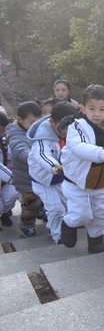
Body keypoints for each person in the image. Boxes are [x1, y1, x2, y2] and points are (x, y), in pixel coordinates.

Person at [60, 85, 104, 254]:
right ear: (83, 108)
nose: (97, 114)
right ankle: (68, 222)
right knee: (82, 214)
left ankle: (95, 242)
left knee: (101, 213)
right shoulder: (77, 126)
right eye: (92, 109)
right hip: (77, 181)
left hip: (101, 181)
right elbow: (78, 148)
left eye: (102, 109)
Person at [27, 102, 77, 244]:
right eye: (62, 126)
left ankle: (55, 227)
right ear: (52, 122)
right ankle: (58, 236)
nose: (66, 130)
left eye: (69, 126)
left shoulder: (71, 134)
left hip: (60, 180)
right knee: (56, 208)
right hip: (44, 181)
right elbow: (42, 156)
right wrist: (56, 167)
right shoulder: (42, 139)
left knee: (69, 205)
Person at [6, 101, 43, 237]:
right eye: (32, 123)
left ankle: (41, 210)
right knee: (30, 204)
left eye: (38, 122)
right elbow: (20, 150)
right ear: (20, 120)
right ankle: (26, 224)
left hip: (40, 176)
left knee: (44, 198)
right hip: (25, 179)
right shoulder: (15, 134)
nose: (35, 126)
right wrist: (37, 157)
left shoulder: (38, 130)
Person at [0, 110, 20, 230]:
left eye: (3, 131)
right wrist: (13, 178)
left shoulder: (5, 141)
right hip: (6, 177)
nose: (2, 134)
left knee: (12, 195)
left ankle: (4, 213)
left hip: (4, 182)